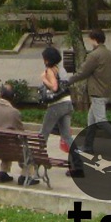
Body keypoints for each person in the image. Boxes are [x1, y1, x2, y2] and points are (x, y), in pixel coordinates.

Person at [67, 29, 111, 158]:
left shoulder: (94, 55)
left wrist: (69, 81)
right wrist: (106, 83)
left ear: (94, 39)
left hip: (97, 92)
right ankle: (88, 146)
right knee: (91, 120)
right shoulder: (110, 55)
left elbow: (83, 72)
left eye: (90, 38)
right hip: (106, 91)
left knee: (100, 120)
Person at [38, 45, 84, 178]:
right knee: (67, 136)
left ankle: (32, 163)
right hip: (67, 104)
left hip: (56, 106)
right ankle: (78, 166)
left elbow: (54, 87)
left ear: (47, 59)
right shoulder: (61, 69)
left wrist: (44, 79)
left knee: (42, 135)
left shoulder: (49, 70)